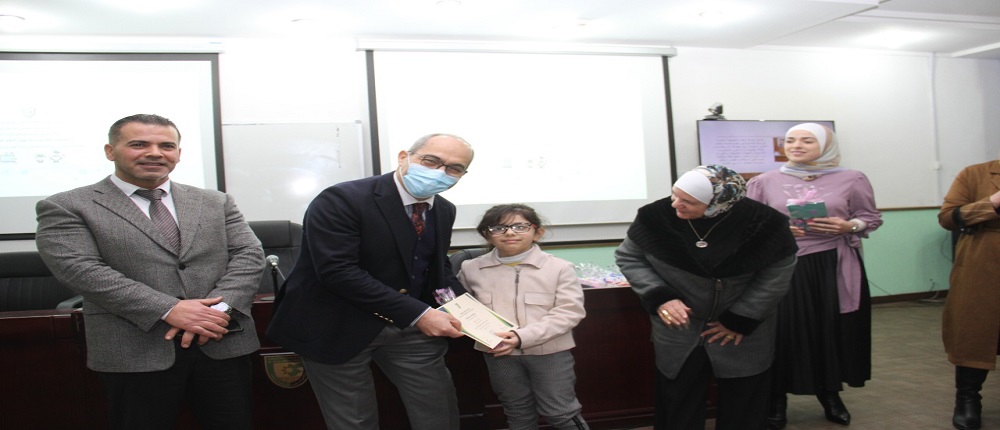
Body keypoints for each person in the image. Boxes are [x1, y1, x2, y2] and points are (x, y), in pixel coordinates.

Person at [34, 114, 265, 429]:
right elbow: (80, 269)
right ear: (110, 151)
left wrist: (217, 311)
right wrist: (169, 309)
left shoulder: (215, 201)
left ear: (178, 154)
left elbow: (248, 254)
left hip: (220, 341)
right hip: (134, 350)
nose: (155, 153)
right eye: (139, 144)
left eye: (166, 146)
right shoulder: (68, 206)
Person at [266, 133, 474, 430]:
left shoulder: (443, 209)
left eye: (454, 168)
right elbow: (338, 272)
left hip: (409, 327)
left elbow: (437, 268)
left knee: (439, 410)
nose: (440, 172)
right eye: (431, 161)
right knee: (355, 421)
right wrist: (420, 314)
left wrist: (475, 316)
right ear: (404, 157)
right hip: (337, 323)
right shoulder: (341, 199)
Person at [616, 165, 798, 430]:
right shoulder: (655, 216)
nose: (675, 204)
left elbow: (777, 274)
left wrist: (740, 319)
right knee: (678, 402)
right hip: (680, 327)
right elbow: (630, 257)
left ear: (718, 203)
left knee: (744, 404)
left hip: (743, 331)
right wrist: (661, 297)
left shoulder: (766, 223)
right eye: (675, 194)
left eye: (688, 201)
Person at [746, 123, 882, 428]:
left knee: (829, 330)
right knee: (783, 332)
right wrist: (777, 230)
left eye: (807, 140)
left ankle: (830, 394)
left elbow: (870, 218)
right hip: (782, 266)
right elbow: (749, 225)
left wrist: (849, 226)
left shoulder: (852, 178)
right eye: (790, 140)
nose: (796, 146)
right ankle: (776, 398)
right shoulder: (764, 181)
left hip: (832, 264)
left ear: (826, 145)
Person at [458, 204, 590, 430]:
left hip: (550, 353)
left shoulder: (559, 268)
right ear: (486, 234)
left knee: (560, 412)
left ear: (537, 232)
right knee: (516, 411)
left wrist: (522, 337)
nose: (510, 233)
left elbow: (570, 311)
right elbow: (462, 308)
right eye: (499, 228)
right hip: (499, 354)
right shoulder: (471, 269)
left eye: (520, 226)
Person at [938, 159, 1000, 430]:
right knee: (974, 331)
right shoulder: (976, 174)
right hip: (983, 263)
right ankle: (967, 399)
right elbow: (947, 218)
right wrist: (993, 202)